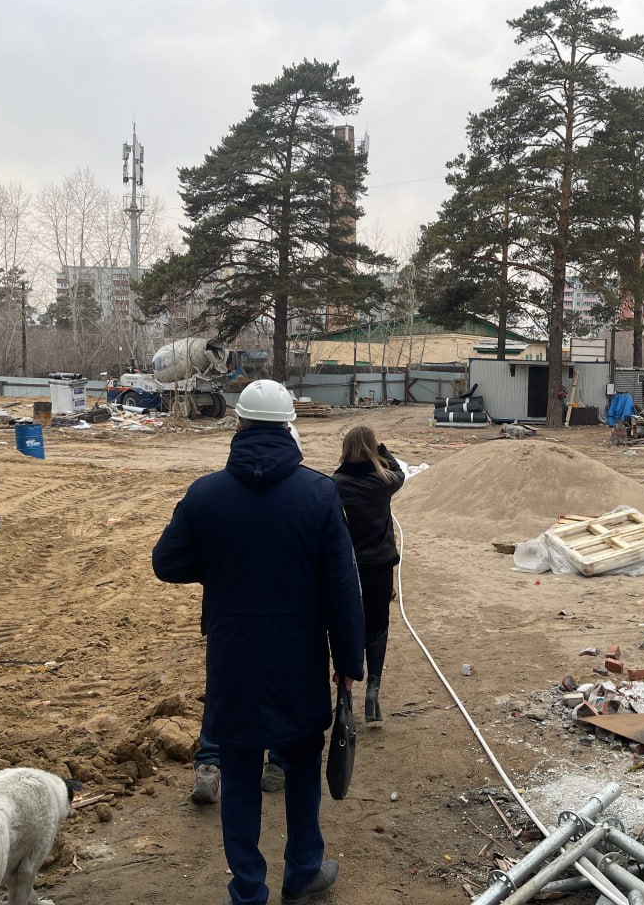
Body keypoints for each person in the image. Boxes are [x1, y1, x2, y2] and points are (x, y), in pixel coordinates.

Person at [153, 380, 364, 905]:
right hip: (299, 657)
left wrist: (221, 567)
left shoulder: (206, 494)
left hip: (235, 657)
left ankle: (248, 888)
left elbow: (167, 562)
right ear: (290, 426)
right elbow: (342, 587)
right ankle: (303, 872)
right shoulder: (318, 494)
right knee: (301, 763)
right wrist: (348, 662)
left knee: (240, 768)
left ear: (239, 424)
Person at [191, 422, 306, 805]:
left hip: (229, 621)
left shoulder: (213, 493)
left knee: (224, 693)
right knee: (279, 692)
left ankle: (210, 763)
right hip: (286, 623)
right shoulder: (309, 495)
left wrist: (213, 569)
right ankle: (277, 763)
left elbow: (169, 561)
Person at [330, 425, 406, 724]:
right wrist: (383, 451)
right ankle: (373, 689)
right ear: (372, 449)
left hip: (347, 568)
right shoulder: (384, 481)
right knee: (377, 627)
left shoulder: (334, 484)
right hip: (379, 567)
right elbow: (399, 472)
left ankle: (345, 693)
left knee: (345, 627)